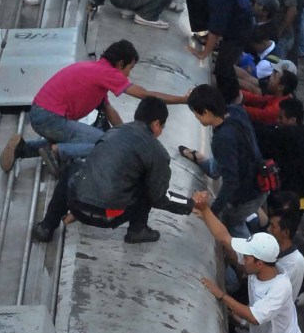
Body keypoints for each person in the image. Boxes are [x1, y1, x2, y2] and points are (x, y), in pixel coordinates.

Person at [30, 95, 195, 244]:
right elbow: (159, 197)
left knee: (74, 168)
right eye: (162, 127)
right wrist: (190, 204)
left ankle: (46, 227)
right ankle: (137, 230)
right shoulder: (157, 151)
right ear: (156, 124)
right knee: (147, 184)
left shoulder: (114, 132)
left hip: (76, 205)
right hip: (109, 215)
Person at [0, 40, 159, 174]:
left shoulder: (96, 72)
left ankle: (22, 149)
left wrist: (124, 136)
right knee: (105, 143)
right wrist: (181, 99)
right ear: (120, 64)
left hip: (40, 114)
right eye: (130, 68)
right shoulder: (107, 73)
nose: (128, 75)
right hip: (51, 118)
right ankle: (57, 152)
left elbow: (110, 112)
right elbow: (144, 94)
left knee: (95, 139)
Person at [184, 85, 262, 232]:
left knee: (232, 224)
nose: (196, 118)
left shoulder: (223, 138)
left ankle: (248, 252)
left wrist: (211, 212)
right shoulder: (236, 111)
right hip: (257, 180)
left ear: (206, 112)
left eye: (196, 114)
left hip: (246, 194)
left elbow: (231, 182)